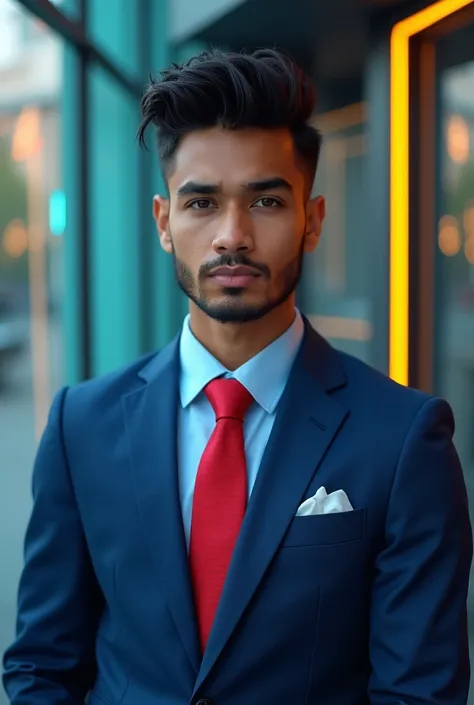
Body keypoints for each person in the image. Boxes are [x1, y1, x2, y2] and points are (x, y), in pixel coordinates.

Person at [2, 48, 472, 705]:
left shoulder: (402, 440)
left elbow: (419, 692)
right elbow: (41, 666)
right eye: (201, 203)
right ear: (165, 223)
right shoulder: (82, 424)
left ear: (312, 220)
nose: (233, 235)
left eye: (267, 200)